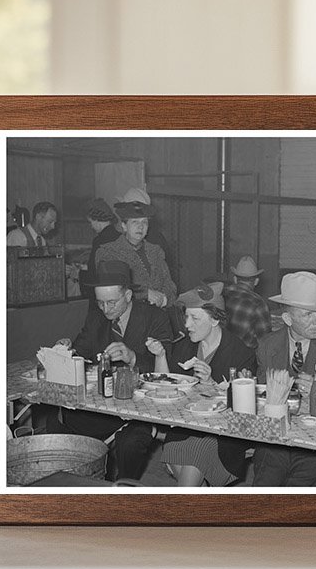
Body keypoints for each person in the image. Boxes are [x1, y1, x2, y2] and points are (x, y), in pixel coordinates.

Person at [51, 260, 173, 480]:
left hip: (139, 410)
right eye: (100, 303)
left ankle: (125, 488)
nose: (105, 309)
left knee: (131, 443)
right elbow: (82, 350)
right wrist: (67, 352)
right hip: (103, 408)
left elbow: (167, 370)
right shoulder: (96, 316)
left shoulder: (155, 317)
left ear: (128, 295)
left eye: (111, 302)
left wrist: (133, 357)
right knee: (59, 420)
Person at [250, 272, 316, 487]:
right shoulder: (267, 346)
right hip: (275, 440)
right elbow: (263, 399)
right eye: (308, 314)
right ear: (288, 319)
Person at [147, 282, 256, 487]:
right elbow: (168, 388)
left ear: (215, 320)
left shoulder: (241, 353)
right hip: (185, 428)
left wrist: (212, 383)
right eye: (186, 317)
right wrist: (160, 355)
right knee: (186, 462)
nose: (187, 325)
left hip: (222, 435)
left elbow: (244, 413)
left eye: (195, 318)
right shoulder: (185, 346)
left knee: (193, 460)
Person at [96, 196, 178, 307]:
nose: (141, 227)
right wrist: (145, 294)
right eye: (135, 222)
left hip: (159, 313)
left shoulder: (156, 251)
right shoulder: (109, 252)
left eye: (145, 222)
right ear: (124, 226)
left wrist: (163, 300)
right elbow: (112, 291)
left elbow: (170, 285)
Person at [222, 255, 271, 349]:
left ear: (235, 279)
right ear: (256, 281)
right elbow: (265, 340)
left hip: (220, 352)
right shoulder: (258, 303)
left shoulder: (221, 294)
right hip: (244, 354)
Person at [81, 197, 120, 291]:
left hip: (104, 290)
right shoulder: (120, 236)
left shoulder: (99, 241)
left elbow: (93, 273)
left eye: (91, 222)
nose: (91, 226)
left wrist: (81, 272)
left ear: (97, 220)